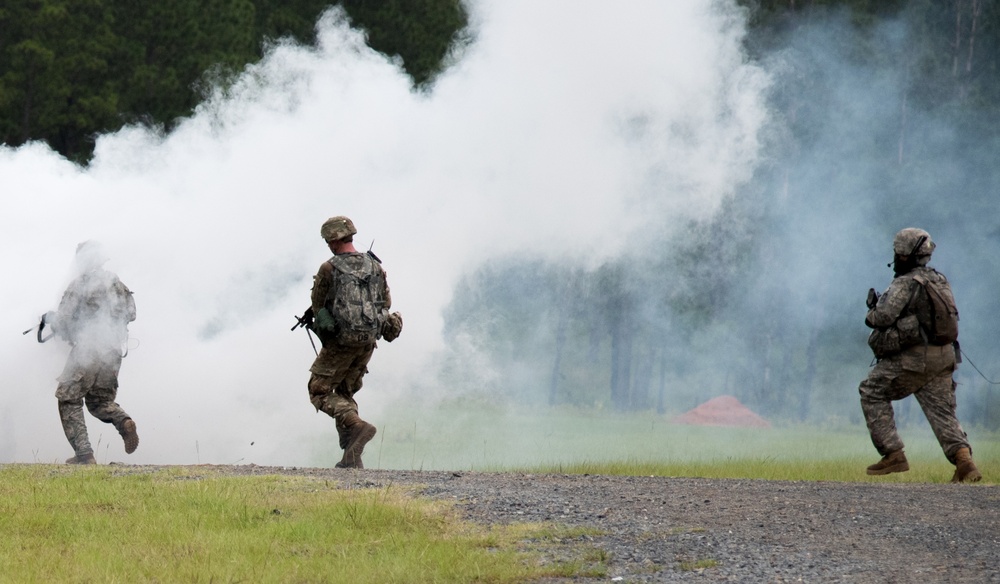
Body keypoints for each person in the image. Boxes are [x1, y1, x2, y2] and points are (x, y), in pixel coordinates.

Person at [859, 227, 980, 482]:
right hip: (944, 357)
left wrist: (871, 310)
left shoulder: (905, 282)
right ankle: (964, 462)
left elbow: (882, 317)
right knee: (943, 413)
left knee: (871, 390)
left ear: (904, 253)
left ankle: (893, 453)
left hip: (915, 360)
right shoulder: (940, 279)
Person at [305, 216, 402, 469]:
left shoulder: (330, 268)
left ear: (332, 241)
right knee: (346, 392)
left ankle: (358, 426)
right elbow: (385, 303)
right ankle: (352, 456)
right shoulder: (375, 266)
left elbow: (319, 304)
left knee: (319, 390)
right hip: (369, 339)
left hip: (341, 341)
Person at [46, 241, 139, 464]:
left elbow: (64, 320)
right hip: (113, 352)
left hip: (88, 351)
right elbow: (132, 313)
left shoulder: (80, 285)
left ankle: (84, 455)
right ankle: (124, 421)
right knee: (99, 402)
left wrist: (52, 319)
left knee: (68, 398)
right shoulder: (117, 283)